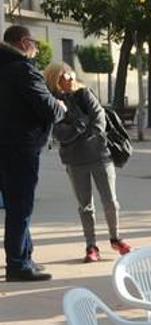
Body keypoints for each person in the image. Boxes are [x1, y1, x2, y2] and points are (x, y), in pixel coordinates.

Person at [44, 63, 133, 262]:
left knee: (110, 201)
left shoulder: (85, 94)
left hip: (100, 156)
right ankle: (91, 246)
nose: (69, 79)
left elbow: (99, 122)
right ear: (54, 81)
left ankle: (116, 238)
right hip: (75, 162)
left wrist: (77, 128)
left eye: (69, 74)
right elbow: (60, 133)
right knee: (85, 205)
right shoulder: (52, 103)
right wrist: (82, 125)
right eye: (63, 77)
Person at [0, 25, 66, 282]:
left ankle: (25, 256)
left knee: (16, 203)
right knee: (21, 205)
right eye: (35, 45)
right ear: (25, 42)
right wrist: (60, 105)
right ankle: (17, 264)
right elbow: (48, 109)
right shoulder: (23, 70)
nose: (37, 50)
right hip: (20, 147)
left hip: (5, 145)